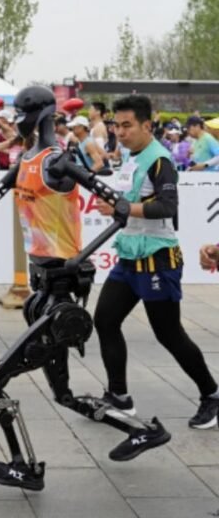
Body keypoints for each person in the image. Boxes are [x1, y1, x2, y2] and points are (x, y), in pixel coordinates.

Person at [93, 95, 219, 437]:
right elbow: (131, 199)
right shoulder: (129, 156)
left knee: (168, 333)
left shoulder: (160, 159)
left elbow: (167, 206)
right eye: (116, 125)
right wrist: (116, 203)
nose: (120, 132)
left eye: (127, 125)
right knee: (105, 320)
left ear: (147, 125)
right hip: (130, 255)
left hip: (158, 260)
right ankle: (119, 397)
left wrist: (121, 208)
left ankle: (211, 394)